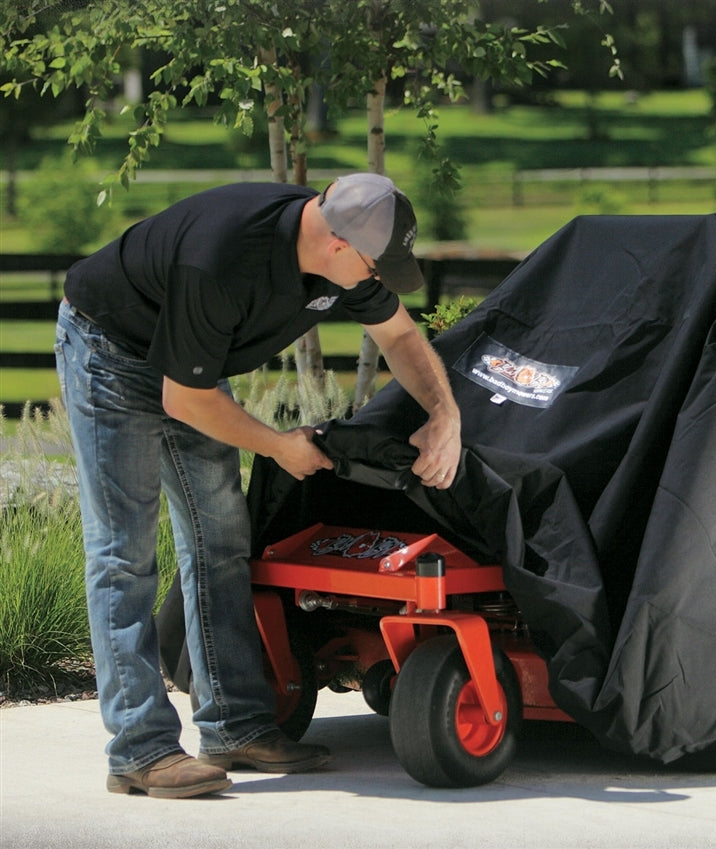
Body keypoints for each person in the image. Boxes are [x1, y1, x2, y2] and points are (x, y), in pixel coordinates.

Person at [54, 173, 462, 798]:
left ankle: (235, 725)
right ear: (338, 248)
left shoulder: (338, 257)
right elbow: (184, 399)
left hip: (191, 363)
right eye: (377, 267)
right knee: (123, 554)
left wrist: (445, 416)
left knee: (221, 538)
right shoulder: (221, 259)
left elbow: (401, 336)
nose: (379, 281)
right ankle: (139, 751)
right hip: (111, 352)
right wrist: (279, 448)